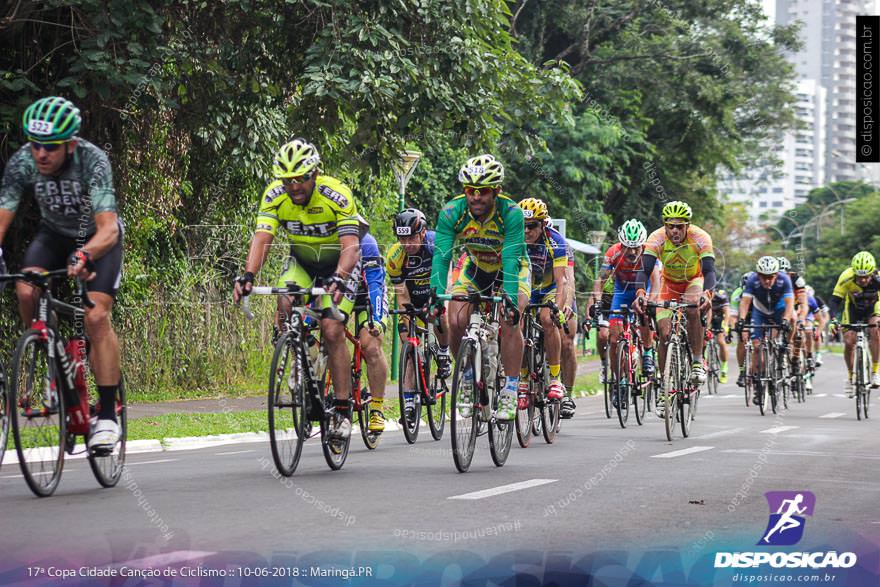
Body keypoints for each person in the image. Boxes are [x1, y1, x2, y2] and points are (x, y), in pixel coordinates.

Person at [0, 96, 124, 451]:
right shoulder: (23, 161)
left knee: (96, 316)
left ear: (70, 144)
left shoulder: (92, 161)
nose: (41, 154)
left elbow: (108, 227)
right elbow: (4, 213)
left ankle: (107, 417)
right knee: (26, 289)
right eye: (36, 144)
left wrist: (85, 253)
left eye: (50, 147)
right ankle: (48, 347)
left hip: (96, 237)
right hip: (53, 234)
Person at [233, 138, 360, 442]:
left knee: (332, 328)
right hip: (302, 263)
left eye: (300, 179)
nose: (293, 187)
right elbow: (263, 237)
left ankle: (342, 410)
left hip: (339, 265)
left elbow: (351, 247)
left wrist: (340, 278)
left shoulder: (337, 194)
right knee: (285, 300)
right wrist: (249, 274)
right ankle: (299, 355)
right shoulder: (275, 196)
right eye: (287, 180)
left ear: (314, 173)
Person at [429, 154, 530, 422]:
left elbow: (510, 258)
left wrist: (508, 299)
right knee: (455, 316)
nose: (475, 197)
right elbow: (442, 256)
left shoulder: (511, 213)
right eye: (470, 191)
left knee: (511, 319)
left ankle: (509, 387)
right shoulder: (452, 212)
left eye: (483, 191)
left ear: (496, 191)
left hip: (511, 269)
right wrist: (435, 294)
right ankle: (465, 377)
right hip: (476, 268)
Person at [640, 201, 715, 395]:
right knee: (664, 333)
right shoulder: (656, 238)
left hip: (694, 281)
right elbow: (645, 269)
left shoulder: (700, 237)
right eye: (670, 226)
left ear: (687, 226)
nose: (675, 231)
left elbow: (709, 270)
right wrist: (641, 294)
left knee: (692, 307)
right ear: (665, 225)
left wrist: (707, 294)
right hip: (669, 285)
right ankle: (665, 389)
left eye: (679, 227)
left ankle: (697, 361)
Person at [386, 208, 452, 421]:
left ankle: (443, 351)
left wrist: (437, 300)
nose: (407, 244)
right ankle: (408, 402)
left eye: (411, 238)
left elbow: (447, 278)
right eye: (402, 238)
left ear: (422, 233)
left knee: (441, 314)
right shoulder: (395, 257)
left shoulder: (435, 244)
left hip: (436, 290)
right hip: (413, 298)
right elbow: (401, 292)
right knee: (408, 345)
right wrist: (406, 315)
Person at [595, 219, 660, 408]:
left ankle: (647, 351)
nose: (631, 252)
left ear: (642, 244)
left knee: (645, 315)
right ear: (620, 244)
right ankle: (621, 381)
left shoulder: (649, 252)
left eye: (635, 248)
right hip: (622, 292)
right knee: (614, 340)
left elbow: (656, 281)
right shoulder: (612, 253)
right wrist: (599, 301)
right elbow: (600, 281)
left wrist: (652, 300)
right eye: (627, 247)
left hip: (644, 289)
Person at [518, 198, 570, 405]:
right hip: (526, 289)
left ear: (543, 224)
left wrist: (557, 308)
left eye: (531, 226)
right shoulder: (515, 239)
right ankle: (522, 379)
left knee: (547, 319)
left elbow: (561, 281)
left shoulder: (555, 240)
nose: (526, 231)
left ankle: (555, 379)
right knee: (514, 323)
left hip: (548, 289)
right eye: (522, 226)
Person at [736, 256, 795, 405]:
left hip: (778, 309)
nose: (767, 281)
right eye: (763, 277)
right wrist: (741, 320)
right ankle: (758, 385)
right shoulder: (752, 281)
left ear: (776, 275)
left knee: (793, 319)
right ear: (758, 275)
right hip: (760, 311)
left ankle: (785, 345)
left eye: (770, 277)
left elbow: (789, 305)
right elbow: (745, 302)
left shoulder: (784, 280)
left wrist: (786, 321)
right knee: (757, 347)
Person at [354, 222, 390, 433]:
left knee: (370, 345)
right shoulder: (324, 241)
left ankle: (377, 408)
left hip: (367, 294)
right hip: (340, 293)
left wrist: (376, 320)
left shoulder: (367, 243)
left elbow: (375, 285)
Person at [828, 251, 880, 395]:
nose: (863, 280)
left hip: (873, 307)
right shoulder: (846, 277)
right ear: (854, 272)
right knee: (849, 341)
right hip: (853, 309)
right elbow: (835, 300)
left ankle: (875, 371)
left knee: (875, 328)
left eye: (866, 277)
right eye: (859, 276)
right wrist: (833, 320)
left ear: (872, 273)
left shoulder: (878, 279)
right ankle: (851, 377)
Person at [728, 272, 754, 387]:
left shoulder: (760, 290)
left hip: (758, 314)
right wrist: (734, 328)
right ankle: (742, 371)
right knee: (742, 341)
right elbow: (733, 316)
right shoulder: (736, 294)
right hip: (743, 316)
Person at [708, 288, 730, 384]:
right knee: (703, 339)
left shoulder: (721, 296)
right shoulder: (700, 294)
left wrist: (725, 327)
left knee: (721, 341)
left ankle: (724, 368)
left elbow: (727, 313)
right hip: (708, 318)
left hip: (719, 319)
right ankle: (703, 362)